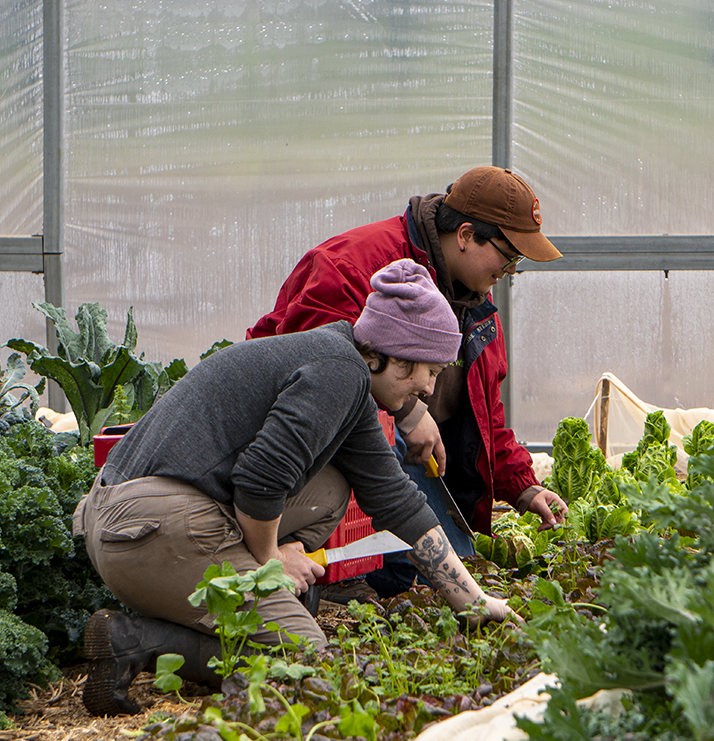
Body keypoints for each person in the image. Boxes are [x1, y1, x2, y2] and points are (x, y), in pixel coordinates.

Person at [74, 260, 512, 716]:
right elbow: (260, 479)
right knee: (304, 663)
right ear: (400, 356)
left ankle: (250, 596)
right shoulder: (338, 372)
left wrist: (474, 601)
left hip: (129, 518)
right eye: (432, 371)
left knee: (333, 487)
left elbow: (395, 497)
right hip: (148, 528)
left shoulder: (345, 371)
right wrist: (272, 560)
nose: (430, 389)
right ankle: (135, 640)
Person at [247, 166, 569, 597]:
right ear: (466, 235)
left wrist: (522, 486)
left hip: (411, 462)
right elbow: (316, 374)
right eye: (508, 256)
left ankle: (378, 570)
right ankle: (327, 569)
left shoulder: (476, 300)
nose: (511, 270)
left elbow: (485, 411)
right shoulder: (352, 265)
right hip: (311, 460)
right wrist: (406, 410)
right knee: (419, 564)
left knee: (451, 566)